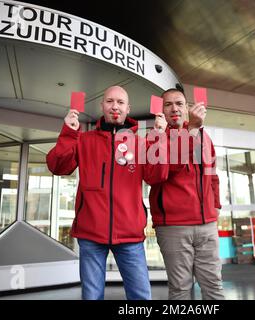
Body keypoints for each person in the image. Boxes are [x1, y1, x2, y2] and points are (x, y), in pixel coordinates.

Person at [46, 86, 168, 300]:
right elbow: (58, 166)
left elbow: (156, 176)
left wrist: (159, 137)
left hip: (130, 235)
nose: (115, 106)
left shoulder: (140, 143)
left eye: (120, 102)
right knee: (92, 297)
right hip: (90, 235)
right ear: (102, 106)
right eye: (110, 101)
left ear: (128, 108)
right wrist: (68, 133)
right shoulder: (83, 140)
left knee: (141, 296)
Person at [149, 88, 225, 300]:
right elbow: (168, 169)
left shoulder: (203, 135)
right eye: (168, 104)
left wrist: (215, 207)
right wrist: (190, 130)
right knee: (180, 288)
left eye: (180, 103)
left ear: (186, 107)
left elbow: (212, 175)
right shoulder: (156, 136)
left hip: (207, 224)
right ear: (161, 110)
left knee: (214, 286)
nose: (174, 108)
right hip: (174, 226)